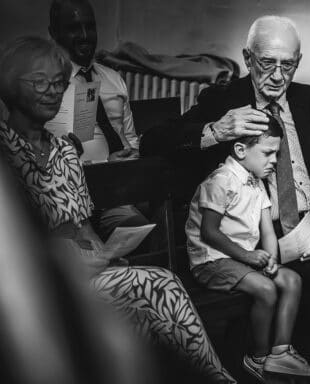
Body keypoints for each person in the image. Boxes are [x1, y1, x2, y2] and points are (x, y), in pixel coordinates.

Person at [141, 16, 310, 383]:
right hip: (265, 240)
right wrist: (217, 130)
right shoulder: (224, 100)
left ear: (298, 62)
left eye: (286, 65)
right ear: (248, 57)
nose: (276, 75)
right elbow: (152, 142)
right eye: (266, 63)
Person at [0, 35, 236, 384]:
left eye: (59, 82)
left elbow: (83, 227)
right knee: (152, 290)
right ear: (10, 85)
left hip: (87, 272)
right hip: (42, 288)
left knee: (161, 283)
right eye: (39, 81)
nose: (52, 90)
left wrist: (108, 252)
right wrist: (76, 263)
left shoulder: (65, 151)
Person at [186, 116, 310, 381]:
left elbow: (267, 231)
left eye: (277, 154)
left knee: (292, 279)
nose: (274, 160)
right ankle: (257, 357)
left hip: (241, 261)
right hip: (211, 261)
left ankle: (280, 353)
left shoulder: (257, 183)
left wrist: (270, 258)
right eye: (268, 153)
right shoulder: (221, 180)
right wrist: (248, 256)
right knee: (266, 288)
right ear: (240, 150)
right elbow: (209, 232)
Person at [48, 0, 147, 238]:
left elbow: (130, 138)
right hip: (78, 196)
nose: (84, 36)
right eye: (73, 28)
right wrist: (107, 167)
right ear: (54, 33)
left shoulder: (113, 79)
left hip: (127, 185)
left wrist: (134, 159)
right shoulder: (48, 88)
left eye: (89, 27)